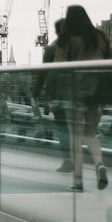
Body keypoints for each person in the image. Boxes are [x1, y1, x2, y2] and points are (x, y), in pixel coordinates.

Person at [47, 5, 112, 192]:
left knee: (76, 139)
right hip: (96, 95)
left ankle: (78, 182)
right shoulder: (99, 37)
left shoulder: (65, 39)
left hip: (73, 95)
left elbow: (57, 68)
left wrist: (50, 95)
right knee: (91, 135)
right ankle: (99, 164)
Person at [33, 19, 72, 172]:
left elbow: (42, 74)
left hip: (57, 96)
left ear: (56, 32)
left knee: (63, 128)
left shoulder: (50, 49)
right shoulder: (79, 49)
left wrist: (36, 93)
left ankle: (67, 160)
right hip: (77, 95)